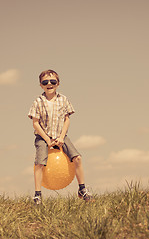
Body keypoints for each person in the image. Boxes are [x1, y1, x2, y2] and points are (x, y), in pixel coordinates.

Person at [28, 69, 92, 204]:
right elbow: (35, 123)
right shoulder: (38, 101)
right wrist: (47, 139)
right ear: (41, 85)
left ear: (58, 83)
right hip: (43, 138)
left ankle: (82, 189)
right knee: (39, 162)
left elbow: (67, 119)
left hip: (60, 136)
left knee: (77, 158)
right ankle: (37, 194)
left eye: (53, 81)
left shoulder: (63, 99)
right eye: (45, 82)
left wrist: (62, 137)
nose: (49, 84)